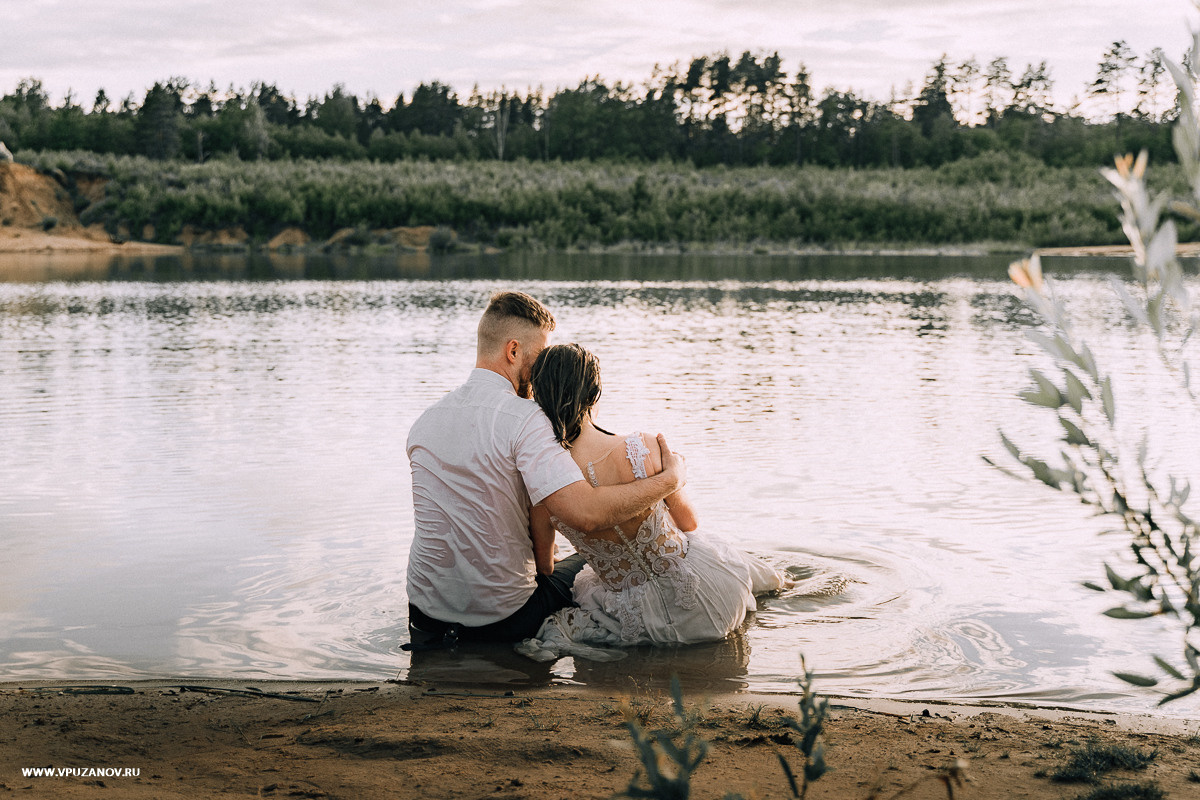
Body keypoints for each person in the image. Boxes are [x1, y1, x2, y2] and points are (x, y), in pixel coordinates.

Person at [405, 291, 687, 649]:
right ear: (513, 351)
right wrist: (668, 480)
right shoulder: (525, 418)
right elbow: (585, 515)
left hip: (425, 617)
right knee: (587, 565)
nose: (540, 376)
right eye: (539, 360)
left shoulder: (425, 422)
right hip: (501, 621)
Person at [516, 343, 785, 662]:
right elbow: (688, 523)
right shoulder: (641, 447)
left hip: (632, 619)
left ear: (539, 400)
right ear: (593, 394)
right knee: (737, 560)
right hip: (710, 598)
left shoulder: (546, 485)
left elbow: (545, 566)